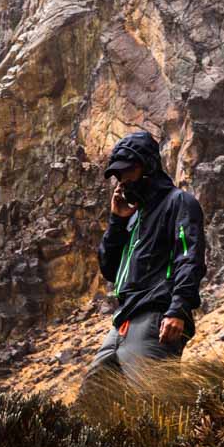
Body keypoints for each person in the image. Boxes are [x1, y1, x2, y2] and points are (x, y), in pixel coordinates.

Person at [78, 128, 206, 397]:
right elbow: (109, 269)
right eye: (117, 176)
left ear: (147, 167)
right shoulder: (133, 218)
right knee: (92, 397)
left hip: (156, 316)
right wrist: (118, 221)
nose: (122, 181)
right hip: (123, 319)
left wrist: (178, 309)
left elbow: (189, 258)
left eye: (127, 172)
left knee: (153, 399)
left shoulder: (179, 203)